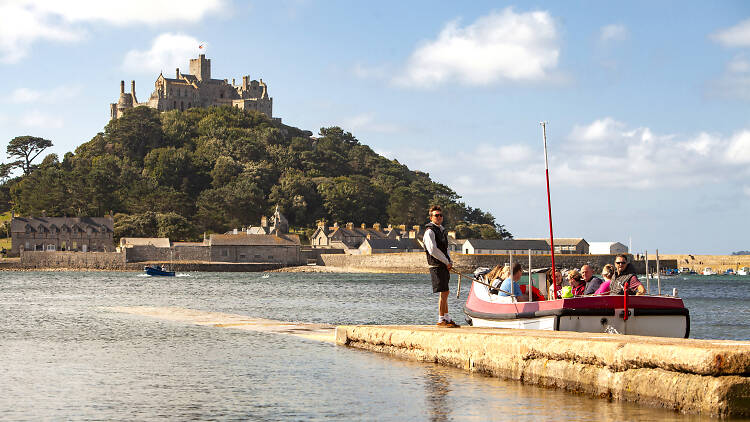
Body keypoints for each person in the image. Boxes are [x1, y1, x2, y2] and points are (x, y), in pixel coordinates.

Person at [423, 205, 459, 328]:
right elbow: (433, 250)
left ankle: (447, 317)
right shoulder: (429, 231)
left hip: (444, 264)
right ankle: (441, 319)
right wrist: (445, 261)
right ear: (431, 217)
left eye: (440, 215)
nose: (438, 217)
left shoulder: (442, 230)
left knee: (446, 291)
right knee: (443, 292)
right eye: (436, 215)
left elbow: (446, 248)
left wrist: (449, 261)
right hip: (436, 265)